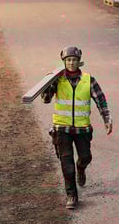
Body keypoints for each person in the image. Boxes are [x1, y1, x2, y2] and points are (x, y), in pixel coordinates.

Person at [42, 46, 112, 209]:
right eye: (68, 60)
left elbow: (101, 100)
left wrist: (107, 119)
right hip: (62, 128)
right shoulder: (57, 79)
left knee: (86, 157)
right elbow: (46, 99)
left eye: (74, 60)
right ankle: (71, 195)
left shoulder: (89, 80)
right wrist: (47, 83)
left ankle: (81, 168)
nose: (71, 63)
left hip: (82, 129)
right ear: (64, 62)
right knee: (67, 163)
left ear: (79, 62)